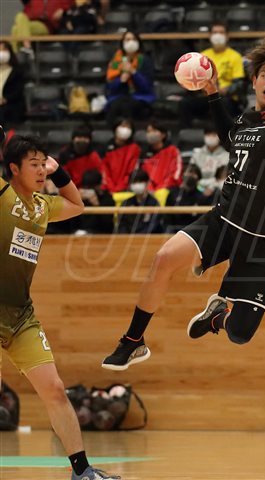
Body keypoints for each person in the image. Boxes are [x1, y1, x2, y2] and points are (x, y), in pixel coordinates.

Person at [101, 37, 265, 371]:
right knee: (163, 259)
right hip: (224, 220)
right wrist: (212, 92)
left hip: (262, 239)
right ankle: (132, 341)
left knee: (240, 333)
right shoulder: (245, 121)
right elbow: (229, 135)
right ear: (254, 81)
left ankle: (217, 317)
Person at [0, 133, 119, 480]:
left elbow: (77, 205)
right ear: (13, 169)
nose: (41, 171)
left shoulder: (42, 206)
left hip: (20, 316)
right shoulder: (2, 194)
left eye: (43, 164)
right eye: (33, 165)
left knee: (54, 389)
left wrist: (59, 171)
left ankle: (82, 472)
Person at [179, 23, 246, 128]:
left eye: (221, 32)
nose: (218, 35)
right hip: (206, 95)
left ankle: (227, 134)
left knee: (224, 103)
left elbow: (239, 83)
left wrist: (223, 90)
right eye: (215, 32)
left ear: (227, 36)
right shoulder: (202, 55)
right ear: (210, 35)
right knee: (184, 103)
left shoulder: (235, 56)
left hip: (226, 97)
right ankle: (186, 134)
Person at [105, 31, 155, 128]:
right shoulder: (115, 62)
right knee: (114, 106)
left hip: (140, 96)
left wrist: (134, 73)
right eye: (127, 40)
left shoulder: (145, 60)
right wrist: (121, 80)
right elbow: (110, 88)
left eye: (133, 39)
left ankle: (130, 131)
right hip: (119, 96)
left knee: (128, 106)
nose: (131, 42)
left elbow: (147, 86)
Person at [163, 164, 210, 234]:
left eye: (194, 173)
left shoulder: (202, 197)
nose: (190, 175)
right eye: (189, 172)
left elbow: (202, 221)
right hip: (173, 231)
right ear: (183, 175)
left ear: (198, 178)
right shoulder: (173, 193)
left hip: (193, 232)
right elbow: (166, 216)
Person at [138, 121, 182, 192]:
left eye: (154, 131)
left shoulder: (173, 151)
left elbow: (176, 173)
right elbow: (141, 175)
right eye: (148, 131)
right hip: (148, 191)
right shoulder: (143, 154)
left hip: (168, 189)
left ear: (163, 135)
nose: (150, 134)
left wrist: (162, 188)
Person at [101, 119, 141, 193]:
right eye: (123, 126)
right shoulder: (106, 148)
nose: (125, 130)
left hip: (126, 189)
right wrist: (111, 188)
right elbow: (104, 170)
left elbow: (131, 171)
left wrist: (120, 188)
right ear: (116, 128)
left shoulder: (135, 148)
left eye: (128, 127)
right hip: (108, 189)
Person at [115, 169, 160, 234]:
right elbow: (122, 224)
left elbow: (154, 225)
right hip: (127, 238)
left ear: (147, 182)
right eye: (134, 182)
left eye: (140, 181)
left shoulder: (154, 203)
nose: (137, 185)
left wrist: (139, 237)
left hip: (148, 238)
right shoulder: (126, 203)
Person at [0, 41, 27, 125]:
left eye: (4, 50)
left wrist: (5, 99)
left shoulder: (17, 71)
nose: (1, 53)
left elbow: (18, 90)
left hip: (11, 105)